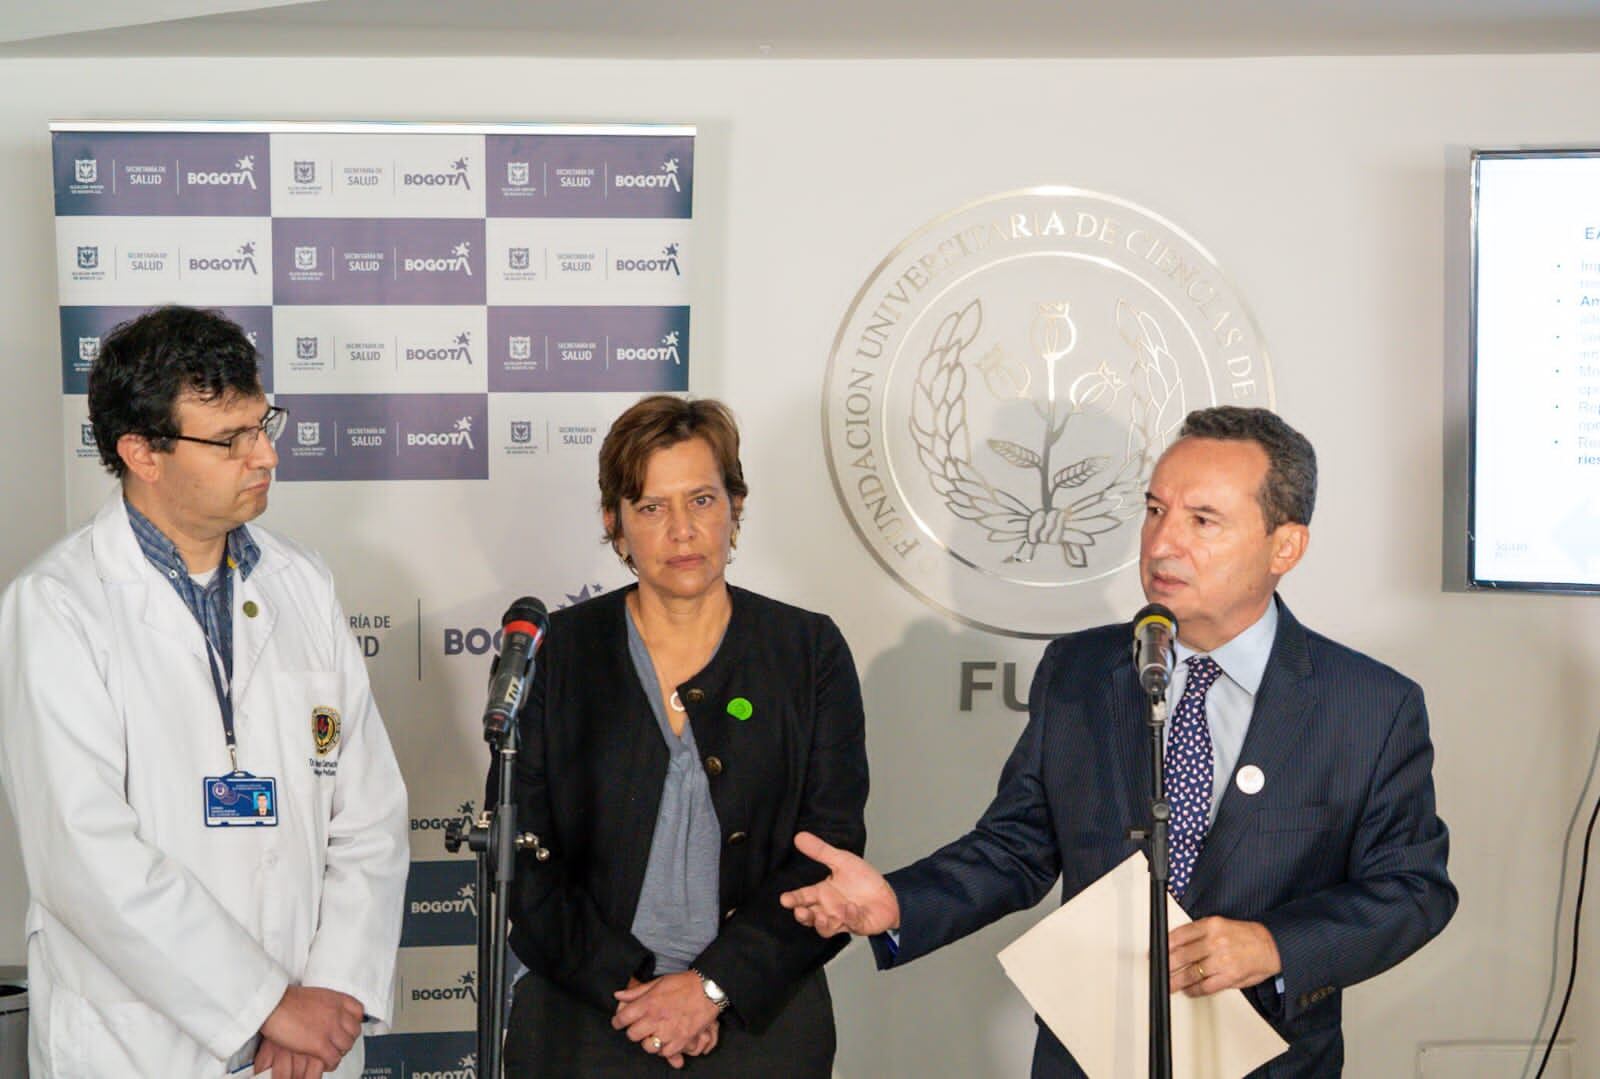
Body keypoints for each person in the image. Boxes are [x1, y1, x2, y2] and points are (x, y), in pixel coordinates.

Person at [781, 406, 1457, 1076]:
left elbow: (1412, 888)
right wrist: (899, 903)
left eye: (1203, 520)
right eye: (1155, 509)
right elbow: (1016, 847)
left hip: (1268, 1062)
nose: (1162, 543)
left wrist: (1275, 944)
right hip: (1089, 1054)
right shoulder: (1081, 672)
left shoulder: (1368, 706)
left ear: (1285, 546)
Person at [0, 306, 410, 1078]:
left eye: (265, 425)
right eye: (231, 439)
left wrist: (326, 995)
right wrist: (266, 1004)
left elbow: (371, 816)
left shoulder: (302, 582)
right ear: (140, 453)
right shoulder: (58, 604)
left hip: (306, 1051)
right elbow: (84, 859)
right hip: (137, 1048)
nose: (266, 456)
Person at [497, 394, 868, 1076]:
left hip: (762, 1023)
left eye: (701, 500)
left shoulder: (808, 651)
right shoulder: (561, 649)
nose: (681, 530)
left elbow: (829, 850)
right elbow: (525, 860)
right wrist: (640, 995)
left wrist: (710, 988)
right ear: (615, 524)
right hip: (585, 1021)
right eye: (650, 507)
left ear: (736, 505)